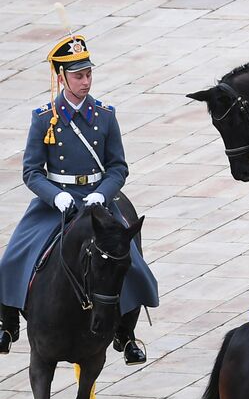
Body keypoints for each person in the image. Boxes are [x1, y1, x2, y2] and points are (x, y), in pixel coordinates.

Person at [0, 29, 158, 363]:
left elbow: (118, 167)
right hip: (56, 200)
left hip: (96, 200)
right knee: (13, 257)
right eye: (78, 75)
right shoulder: (44, 118)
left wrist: (102, 194)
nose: (86, 82)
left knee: (131, 264)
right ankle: (8, 325)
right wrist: (54, 196)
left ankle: (126, 334)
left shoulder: (105, 115)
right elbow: (31, 171)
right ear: (62, 77)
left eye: (88, 74)